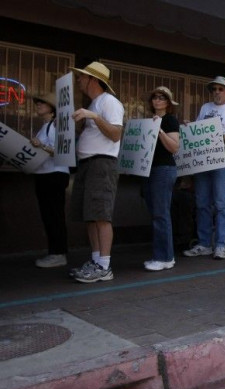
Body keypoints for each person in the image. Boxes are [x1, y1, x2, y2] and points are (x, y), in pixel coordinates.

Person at [68, 61, 124, 283]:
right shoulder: (95, 103)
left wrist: (94, 117)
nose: (79, 80)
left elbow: (115, 134)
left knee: (101, 214)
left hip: (102, 164)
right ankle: (95, 260)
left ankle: (104, 265)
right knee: (90, 215)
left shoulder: (109, 102)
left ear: (93, 79)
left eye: (82, 77)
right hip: (88, 164)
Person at [184, 76, 225, 260]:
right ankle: (204, 244)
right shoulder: (205, 108)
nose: (217, 92)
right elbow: (198, 131)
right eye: (214, 89)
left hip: (222, 157)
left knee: (221, 203)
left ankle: (220, 244)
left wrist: (220, 135)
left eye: (221, 89)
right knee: (202, 202)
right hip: (204, 158)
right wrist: (191, 128)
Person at [29, 92, 70, 268]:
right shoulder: (44, 126)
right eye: (37, 103)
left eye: (42, 103)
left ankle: (58, 253)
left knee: (54, 214)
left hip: (54, 175)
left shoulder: (55, 126)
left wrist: (41, 146)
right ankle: (55, 252)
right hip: (44, 175)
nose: (38, 105)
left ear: (52, 110)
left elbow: (61, 151)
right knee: (48, 215)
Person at [141, 87, 180, 271]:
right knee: (156, 212)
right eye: (155, 97)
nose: (157, 101)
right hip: (150, 169)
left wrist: (160, 130)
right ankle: (162, 255)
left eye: (162, 98)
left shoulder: (170, 120)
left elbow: (174, 147)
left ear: (168, 103)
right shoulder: (149, 121)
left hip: (164, 169)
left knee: (160, 213)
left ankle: (165, 257)